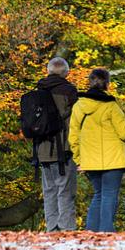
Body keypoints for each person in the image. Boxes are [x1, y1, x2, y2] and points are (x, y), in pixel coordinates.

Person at [68, 68, 125, 232]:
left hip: (89, 160)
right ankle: (107, 233)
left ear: (90, 82)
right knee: (109, 195)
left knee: (98, 195)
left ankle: (91, 233)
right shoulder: (112, 106)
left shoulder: (79, 106)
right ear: (107, 85)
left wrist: (78, 160)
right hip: (114, 159)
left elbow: (73, 136)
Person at [36, 57, 78, 232]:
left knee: (49, 191)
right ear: (66, 73)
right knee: (65, 191)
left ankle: (52, 230)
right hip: (64, 149)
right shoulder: (69, 92)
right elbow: (75, 122)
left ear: (48, 71)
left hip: (42, 150)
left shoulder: (37, 92)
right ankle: (67, 229)